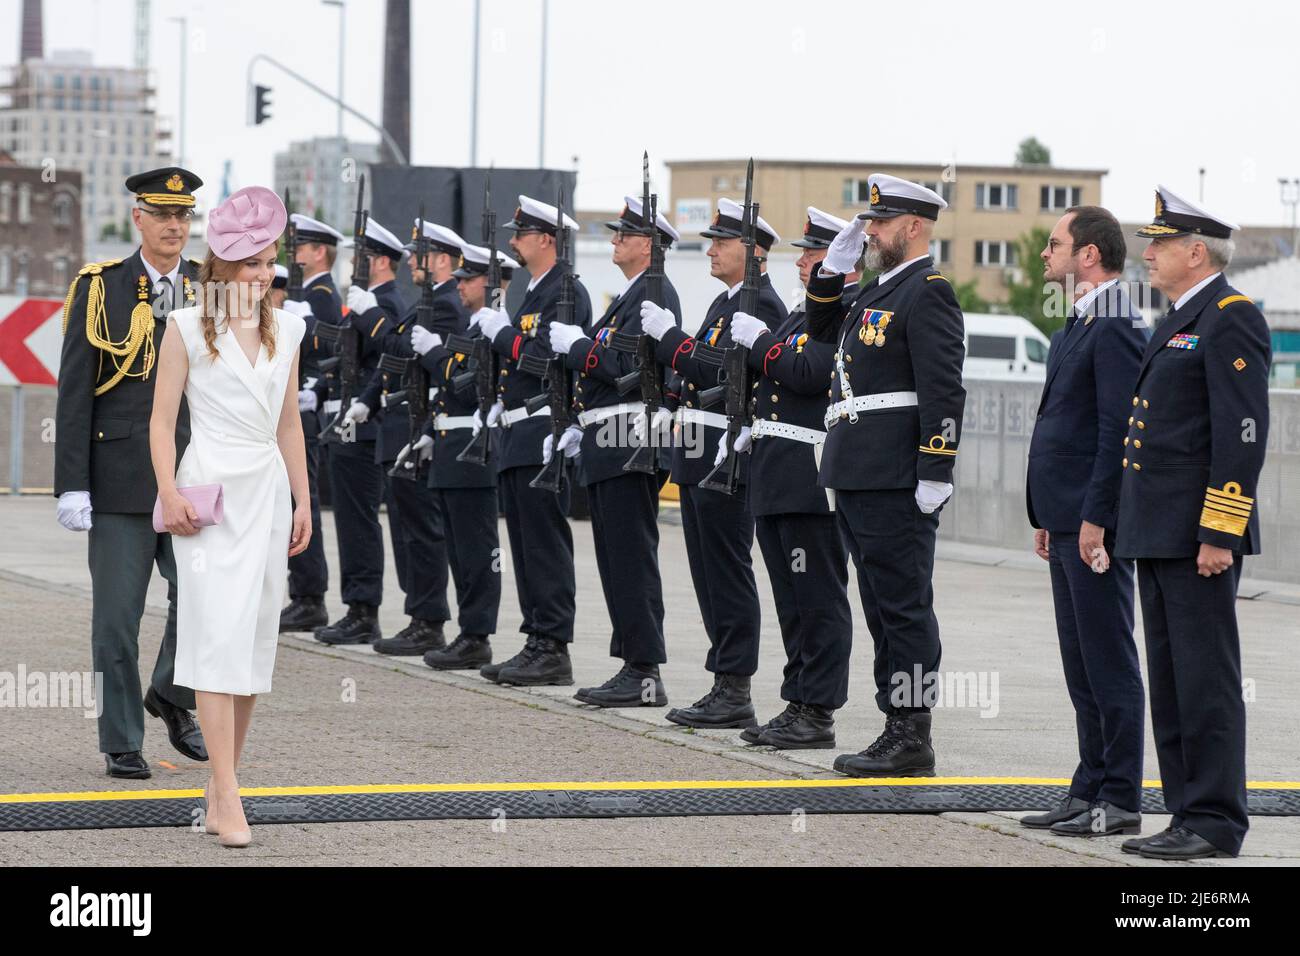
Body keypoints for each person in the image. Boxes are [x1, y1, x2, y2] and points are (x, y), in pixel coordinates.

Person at [149, 185, 310, 848]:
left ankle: (221, 787)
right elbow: (161, 423)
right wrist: (169, 493)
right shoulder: (186, 326)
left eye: (268, 261)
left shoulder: (292, 326)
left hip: (267, 496)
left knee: (248, 649)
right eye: (249, 263)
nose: (263, 272)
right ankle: (230, 793)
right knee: (216, 640)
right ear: (220, 268)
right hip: (208, 498)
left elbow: (290, 424)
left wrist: (305, 500)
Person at [1115, 186, 1270, 861]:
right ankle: (1185, 813)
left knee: (1205, 680)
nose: (1146, 253)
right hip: (1158, 529)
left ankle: (1214, 820)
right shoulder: (1177, 317)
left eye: (1159, 243)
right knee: (1174, 680)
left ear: (1195, 250)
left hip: (1197, 535)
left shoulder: (1230, 317)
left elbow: (1242, 435)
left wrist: (1219, 531)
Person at [806, 174, 966, 777]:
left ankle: (912, 732)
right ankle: (892, 724)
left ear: (914, 227)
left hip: (897, 474)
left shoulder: (928, 292)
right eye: (869, 223)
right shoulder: (877, 291)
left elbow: (944, 386)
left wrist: (936, 466)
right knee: (877, 605)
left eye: (880, 223)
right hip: (857, 469)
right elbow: (820, 331)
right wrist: (832, 273)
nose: (869, 231)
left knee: (903, 607)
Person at [54, 165, 208, 779]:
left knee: (201, 599)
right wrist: (72, 481)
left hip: (194, 472)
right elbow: (74, 392)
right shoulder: (100, 287)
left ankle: (172, 693)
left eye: (183, 216)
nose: (174, 226)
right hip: (118, 477)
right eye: (162, 215)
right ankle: (122, 739)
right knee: (117, 618)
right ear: (138, 219)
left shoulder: (207, 291)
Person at [1020, 206, 1148, 837]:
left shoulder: (1118, 320)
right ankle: (1088, 785)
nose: (1045, 256)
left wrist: (1097, 516)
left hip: (1093, 522)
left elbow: (1116, 430)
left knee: (1107, 657)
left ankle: (1120, 795)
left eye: (1055, 245)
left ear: (1089, 254)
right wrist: (1050, 514)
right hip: (1066, 518)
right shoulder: (1082, 318)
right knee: (1080, 660)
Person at [639, 197, 788, 729]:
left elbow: (722, 369)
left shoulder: (761, 306)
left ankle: (735, 686)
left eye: (723, 242)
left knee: (727, 570)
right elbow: (699, 374)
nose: (712, 249)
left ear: (754, 253)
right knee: (706, 572)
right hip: (697, 449)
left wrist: (671, 341)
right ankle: (721, 679)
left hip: (727, 452)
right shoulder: (722, 305)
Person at [544, 195, 683, 707]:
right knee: (615, 558)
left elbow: (626, 367)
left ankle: (645, 673)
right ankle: (632, 666)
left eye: (625, 235)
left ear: (649, 245)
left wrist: (579, 347)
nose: (615, 241)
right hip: (610, 439)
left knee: (630, 558)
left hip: (629, 442)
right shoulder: (630, 295)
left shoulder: (655, 291)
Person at [726, 207, 857, 748]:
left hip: (810, 477)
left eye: (813, 252)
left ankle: (818, 710)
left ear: (842, 264)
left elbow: (809, 373)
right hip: (778, 473)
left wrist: (760, 344)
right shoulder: (800, 316)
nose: (802, 260)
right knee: (790, 598)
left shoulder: (842, 314)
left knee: (818, 598)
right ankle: (797, 700)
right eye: (803, 253)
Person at [473, 195, 592, 685]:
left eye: (520, 235)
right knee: (523, 543)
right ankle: (535, 638)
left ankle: (553, 645)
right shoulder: (537, 291)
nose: (513, 243)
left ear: (546, 239)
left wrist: (502, 336)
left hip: (544, 428)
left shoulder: (566, 291)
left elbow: (546, 360)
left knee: (544, 543)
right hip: (519, 430)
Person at [356, 220, 461, 657]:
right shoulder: (426, 302)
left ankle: (430, 620)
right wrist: (367, 401)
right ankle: (419, 615)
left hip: (422, 423)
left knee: (422, 531)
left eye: (420, 256)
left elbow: (408, 352)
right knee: (406, 528)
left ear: (439, 260)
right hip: (406, 422)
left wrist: (372, 319)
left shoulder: (449, 305)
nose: (412, 263)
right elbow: (397, 357)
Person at [409, 241, 514, 670]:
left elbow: (468, 386)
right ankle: (467, 632)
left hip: (477, 450)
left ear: (490, 284)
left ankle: (477, 634)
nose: (460, 286)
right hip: (454, 447)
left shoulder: (494, 327)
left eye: (467, 279)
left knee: (477, 550)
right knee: (458, 548)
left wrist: (435, 353)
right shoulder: (474, 328)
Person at [313, 218, 402, 645]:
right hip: (345, 423)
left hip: (367, 427)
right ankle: (354, 606)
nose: (355, 264)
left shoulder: (387, 303)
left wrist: (370, 315)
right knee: (347, 519)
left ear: (381, 262)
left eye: (363, 258)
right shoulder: (363, 302)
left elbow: (390, 359)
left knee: (360, 519)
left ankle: (365, 610)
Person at [278, 213, 345, 633]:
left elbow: (335, 350)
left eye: (301, 246)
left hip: (303, 411)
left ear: (319, 252)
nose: (295, 254)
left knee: (300, 504)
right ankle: (302, 592)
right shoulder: (312, 294)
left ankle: (309, 596)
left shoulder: (320, 295)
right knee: (289, 504)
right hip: (295, 407)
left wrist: (309, 326)